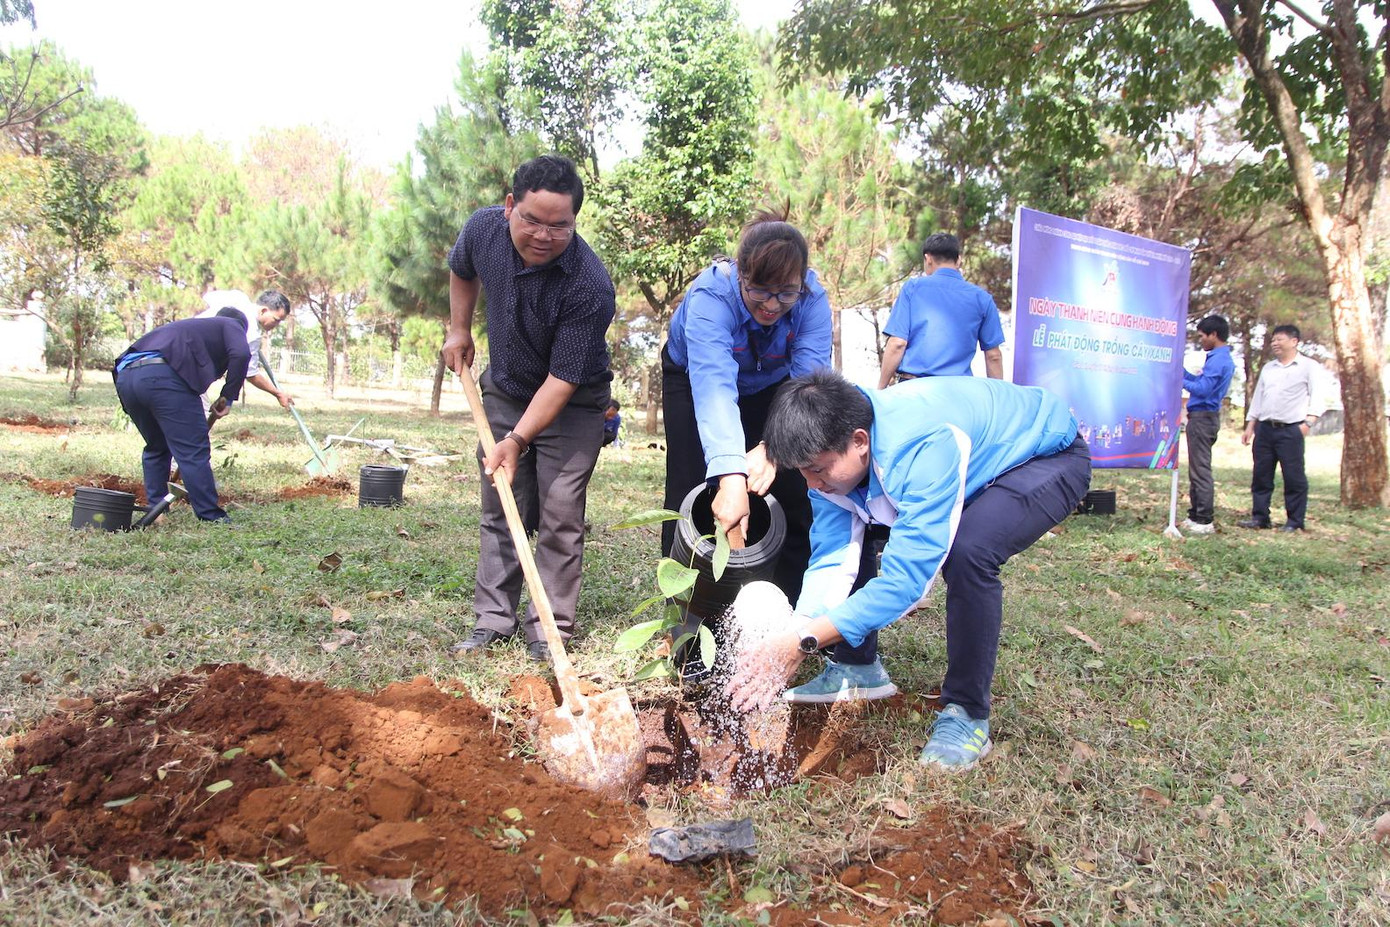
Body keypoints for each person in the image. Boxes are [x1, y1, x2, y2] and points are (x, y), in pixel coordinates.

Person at [728, 369, 1091, 772]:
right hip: (969, 454)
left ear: (860, 442)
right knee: (857, 523)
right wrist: (800, 628)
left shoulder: (921, 446)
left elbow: (907, 583)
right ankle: (858, 667)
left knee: (970, 552)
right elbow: (833, 557)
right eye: (803, 473)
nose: (812, 485)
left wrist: (804, 642)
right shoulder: (833, 447)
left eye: (819, 470)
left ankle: (967, 713)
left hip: (1043, 456)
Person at [442, 154, 615, 662]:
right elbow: (461, 269)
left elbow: (562, 381)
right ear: (509, 206)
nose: (543, 234)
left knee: (561, 514)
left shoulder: (589, 283)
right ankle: (493, 619)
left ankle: (549, 630)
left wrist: (517, 440)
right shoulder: (482, 230)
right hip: (507, 387)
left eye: (558, 225)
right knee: (503, 504)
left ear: (575, 221)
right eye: (532, 220)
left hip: (574, 402)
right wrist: (459, 326)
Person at [661, 210, 832, 601]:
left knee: (794, 487)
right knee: (693, 493)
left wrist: (774, 447)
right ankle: (685, 623)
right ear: (740, 274)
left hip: (777, 384)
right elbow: (714, 388)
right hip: (693, 380)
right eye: (759, 291)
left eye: (786, 293)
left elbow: (808, 386)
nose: (772, 305)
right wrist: (731, 476)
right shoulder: (711, 296)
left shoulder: (813, 299)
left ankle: (785, 619)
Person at [112, 309, 251, 523]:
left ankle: (156, 512)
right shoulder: (231, 324)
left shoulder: (188, 329)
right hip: (163, 378)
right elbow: (241, 354)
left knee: (156, 447)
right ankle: (211, 516)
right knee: (193, 450)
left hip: (127, 377)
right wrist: (228, 396)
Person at [876, 233, 1005, 388]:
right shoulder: (982, 298)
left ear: (928, 258)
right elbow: (993, 356)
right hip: (959, 392)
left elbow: (897, 343)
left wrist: (881, 389)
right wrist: (998, 398)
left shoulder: (913, 288)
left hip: (914, 389)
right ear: (958, 260)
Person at [1238, 324, 1324, 532]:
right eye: (1273, 340)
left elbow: (1319, 396)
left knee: (1294, 477)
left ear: (1294, 341)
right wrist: (1250, 426)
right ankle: (1260, 518)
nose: (1275, 343)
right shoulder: (1269, 368)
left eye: (1280, 339)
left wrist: (1308, 424)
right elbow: (1258, 398)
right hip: (1265, 429)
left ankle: (1294, 521)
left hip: (1291, 430)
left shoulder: (1308, 367)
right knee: (1261, 475)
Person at [1179, 315, 1235, 535]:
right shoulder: (1217, 358)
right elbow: (1198, 382)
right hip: (1202, 417)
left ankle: (1204, 519)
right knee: (1196, 468)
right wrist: (1180, 371)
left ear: (1214, 335)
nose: (1200, 340)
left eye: (1202, 336)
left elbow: (1202, 389)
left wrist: (1177, 380)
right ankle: (1195, 514)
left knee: (1200, 469)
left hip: (1203, 417)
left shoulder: (1219, 361)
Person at [197, 289, 295, 409]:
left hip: (179, 341)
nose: (277, 325)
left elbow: (207, 296)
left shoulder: (239, 297)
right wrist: (278, 394)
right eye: (276, 320)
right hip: (190, 362)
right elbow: (250, 373)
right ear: (264, 310)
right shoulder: (251, 332)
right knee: (199, 418)